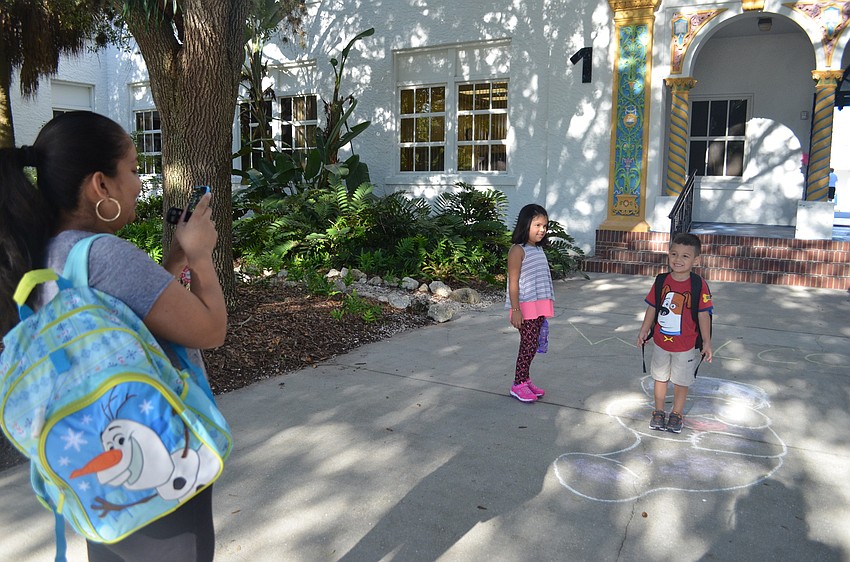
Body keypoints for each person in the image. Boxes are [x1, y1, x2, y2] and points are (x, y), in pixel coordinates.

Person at [0, 111, 227, 561]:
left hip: (95, 473)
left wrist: (176, 259)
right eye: (133, 169)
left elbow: (133, 322)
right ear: (100, 185)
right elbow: (210, 330)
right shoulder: (103, 253)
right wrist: (201, 257)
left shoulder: (43, 253)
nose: (139, 183)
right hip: (161, 468)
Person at [636, 233, 713, 434]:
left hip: (686, 345)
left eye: (685, 256)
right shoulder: (662, 281)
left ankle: (677, 413)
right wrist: (644, 330)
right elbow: (652, 307)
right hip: (661, 342)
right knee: (660, 378)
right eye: (674, 254)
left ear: (696, 260)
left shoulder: (698, 285)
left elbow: (704, 314)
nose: (678, 260)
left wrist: (706, 342)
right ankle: (659, 411)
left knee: (681, 380)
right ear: (668, 255)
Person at [505, 204, 555, 402]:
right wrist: (515, 309)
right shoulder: (518, 250)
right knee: (527, 344)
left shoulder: (537, 249)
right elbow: (514, 282)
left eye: (545, 225)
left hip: (538, 305)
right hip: (525, 308)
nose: (542, 229)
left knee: (533, 344)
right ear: (525, 225)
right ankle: (517, 384)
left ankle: (525, 379)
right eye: (537, 225)